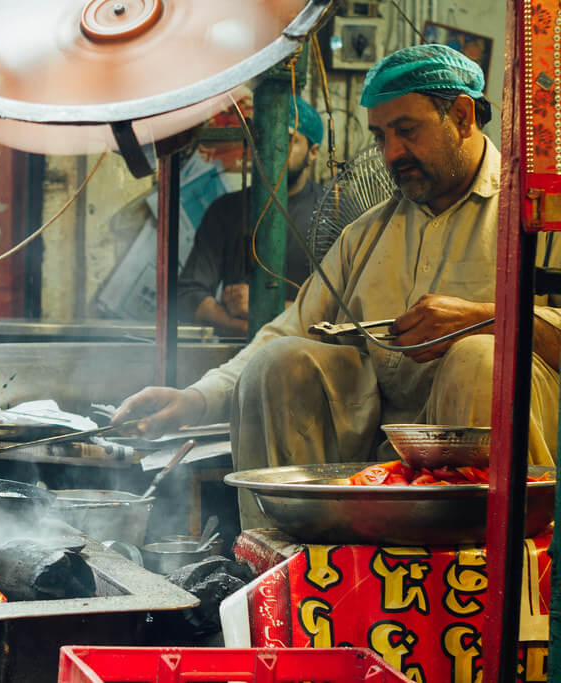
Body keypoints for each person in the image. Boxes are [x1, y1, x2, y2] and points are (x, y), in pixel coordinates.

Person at [113, 44, 561, 527]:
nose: (392, 154)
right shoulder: (365, 236)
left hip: (504, 475)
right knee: (278, 362)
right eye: (380, 136)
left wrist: (486, 319)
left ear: (462, 114)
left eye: (407, 131)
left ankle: (480, 570)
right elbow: (287, 332)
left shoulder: (541, 216)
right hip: (379, 457)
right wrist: (196, 400)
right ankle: (287, 561)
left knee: (480, 357)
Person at [175, 96, 325, 336]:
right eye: (264, 138)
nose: (273, 150)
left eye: (288, 140)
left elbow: (342, 306)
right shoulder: (226, 210)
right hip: (237, 356)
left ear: (313, 152)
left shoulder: (334, 212)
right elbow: (188, 294)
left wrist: (263, 308)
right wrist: (244, 328)